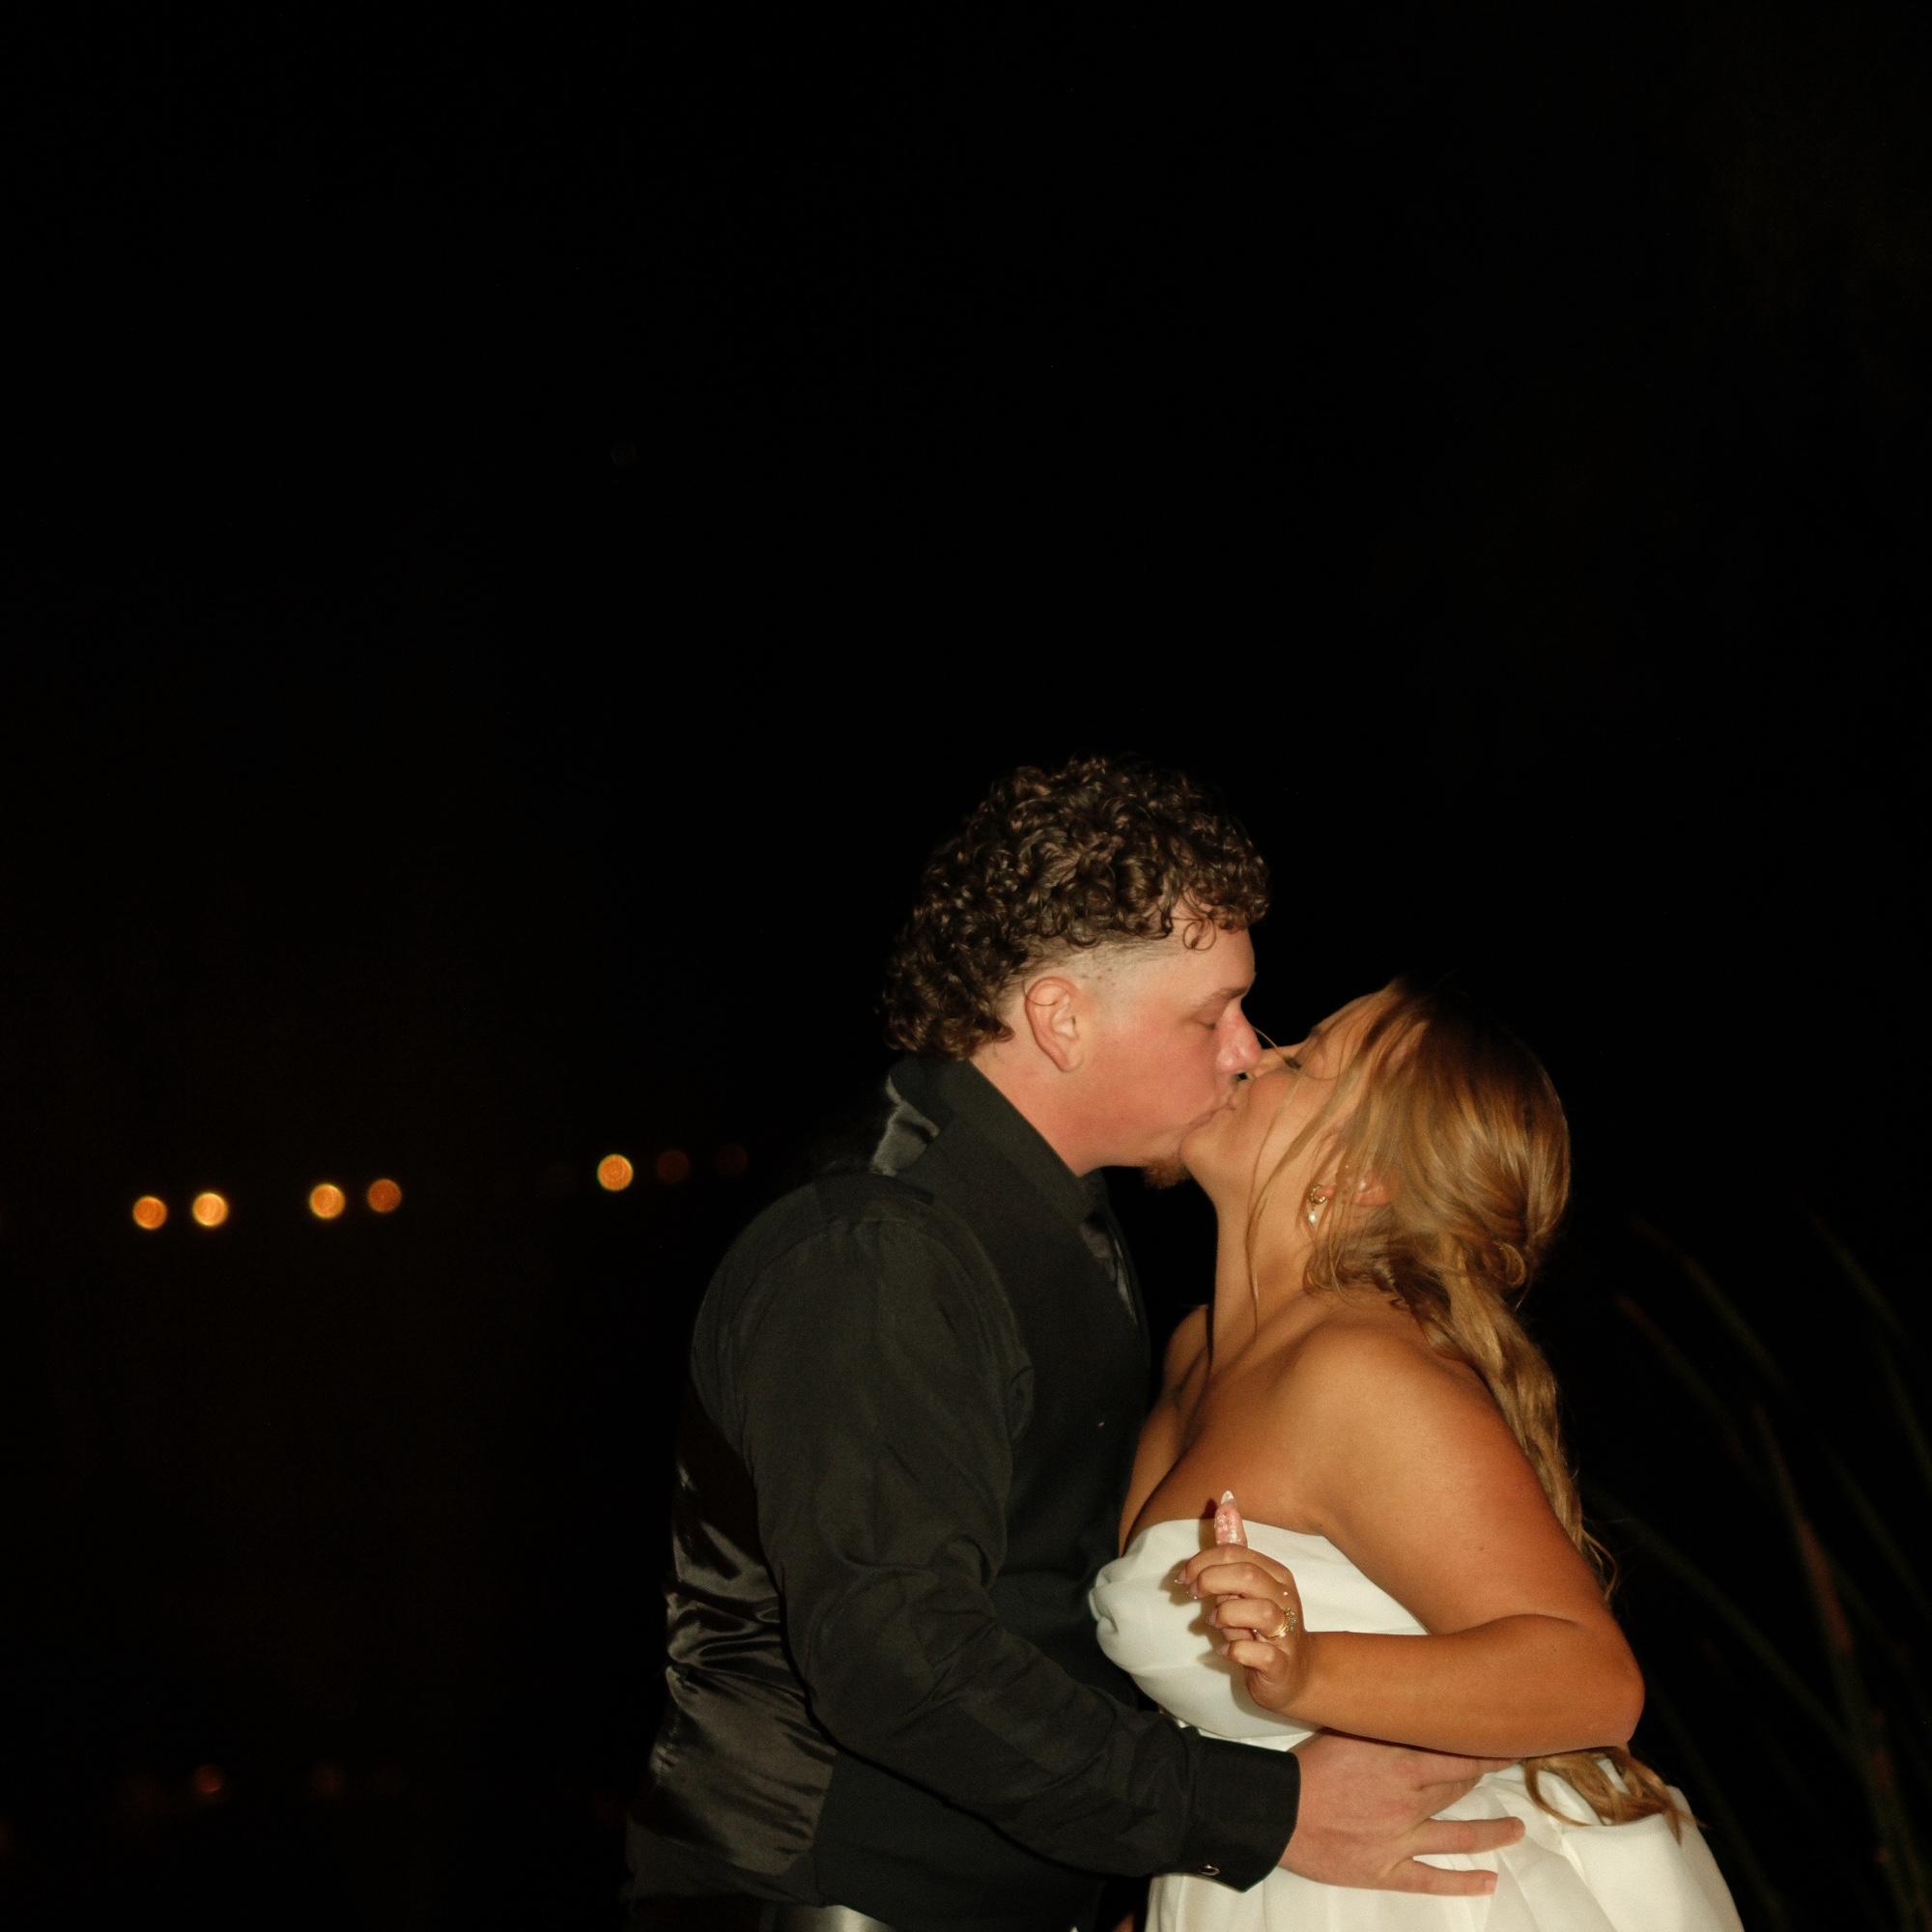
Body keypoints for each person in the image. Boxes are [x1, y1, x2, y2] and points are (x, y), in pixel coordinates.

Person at [626, 759, 1529, 1932]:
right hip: (842, 1899)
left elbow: (1042, 1600)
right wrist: (1253, 1810)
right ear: (1061, 1017)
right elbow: (895, 1655)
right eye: (1210, 1013)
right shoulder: (877, 1245)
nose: (1245, 1049)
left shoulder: (1062, 1210)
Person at [1094, 982, 1747, 1928]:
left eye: (1302, 1060)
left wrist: (1308, 1668)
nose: (1253, 1055)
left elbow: (1592, 1678)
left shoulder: (1354, 1370)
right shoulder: (1196, 1352)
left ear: (1362, 1174)